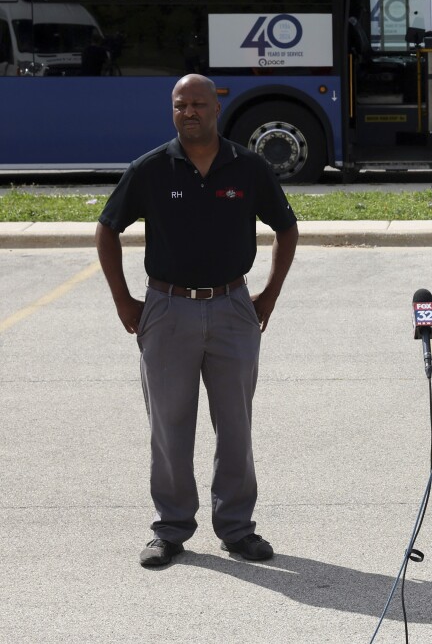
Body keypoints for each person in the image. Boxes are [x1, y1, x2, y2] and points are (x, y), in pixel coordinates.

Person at [95, 74, 299, 569]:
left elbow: (286, 228)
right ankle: (170, 529)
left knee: (235, 425)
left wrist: (268, 296)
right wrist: (124, 300)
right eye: (180, 104)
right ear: (173, 111)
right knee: (169, 425)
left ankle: (236, 529)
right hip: (166, 310)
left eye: (198, 104)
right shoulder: (150, 169)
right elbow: (107, 230)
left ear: (216, 108)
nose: (189, 112)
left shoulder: (248, 167)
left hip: (233, 308)